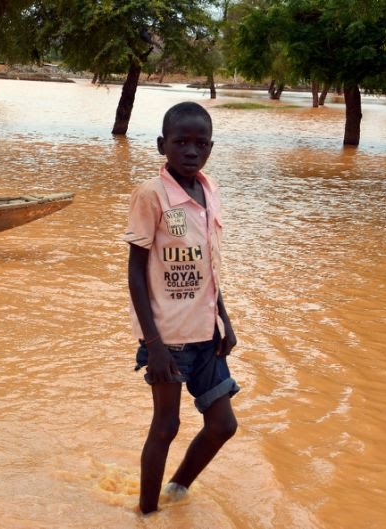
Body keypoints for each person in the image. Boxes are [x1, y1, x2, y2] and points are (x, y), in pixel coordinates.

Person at [124, 101, 240, 514]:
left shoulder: (209, 191)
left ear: (210, 148)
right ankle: (147, 514)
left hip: (206, 336)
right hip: (168, 339)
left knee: (223, 424)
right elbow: (136, 273)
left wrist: (224, 320)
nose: (191, 151)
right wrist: (152, 343)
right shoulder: (151, 196)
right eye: (181, 142)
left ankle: (176, 489)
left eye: (200, 144)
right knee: (166, 426)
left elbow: (209, 265)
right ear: (162, 145)